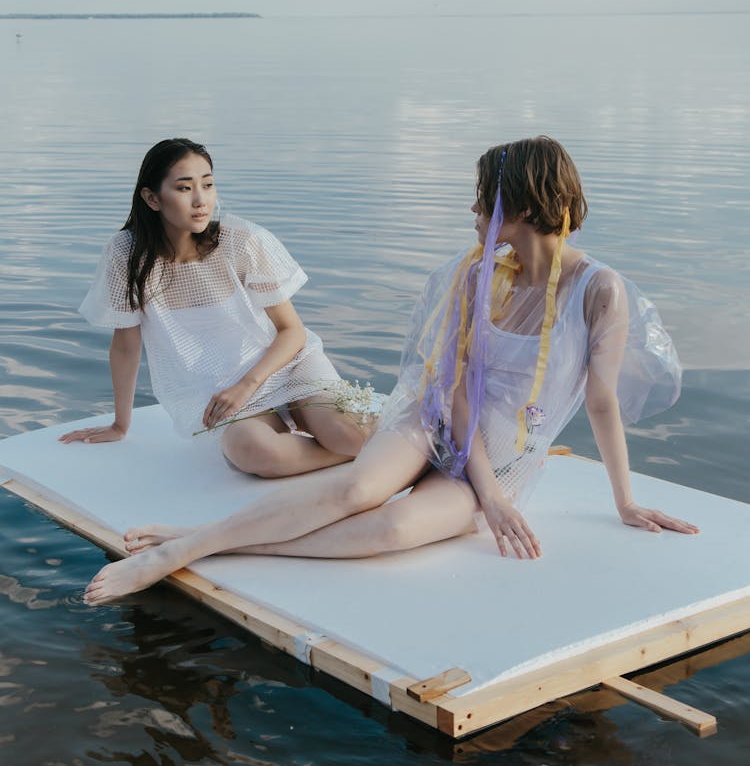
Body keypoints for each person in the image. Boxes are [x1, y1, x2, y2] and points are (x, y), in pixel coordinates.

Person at [82, 136, 698, 606]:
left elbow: (601, 405)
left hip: (503, 457)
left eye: (485, 200)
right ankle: (181, 549)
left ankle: (197, 540)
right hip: (433, 423)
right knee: (355, 489)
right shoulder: (475, 275)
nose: (474, 210)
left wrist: (625, 502)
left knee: (391, 530)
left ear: (518, 207)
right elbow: (453, 393)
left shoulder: (600, 290)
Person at [60, 138, 369, 477]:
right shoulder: (126, 256)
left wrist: (246, 385)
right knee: (257, 454)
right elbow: (126, 344)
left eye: (208, 184)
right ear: (152, 198)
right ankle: (356, 452)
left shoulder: (241, 240)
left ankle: (351, 443)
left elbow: (291, 331)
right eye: (184, 188)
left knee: (350, 436)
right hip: (217, 391)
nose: (201, 200)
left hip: (285, 365)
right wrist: (121, 424)